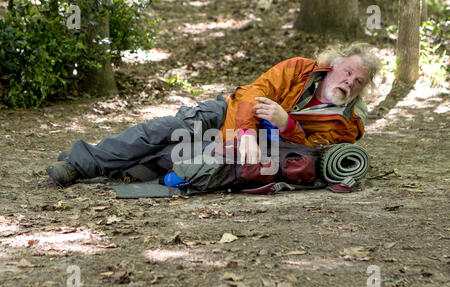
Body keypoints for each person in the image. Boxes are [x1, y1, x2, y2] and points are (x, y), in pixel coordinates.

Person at [46, 42, 380, 187]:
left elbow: (313, 154)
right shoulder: (299, 70)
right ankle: (77, 164)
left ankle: (119, 166)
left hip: (255, 152)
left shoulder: (347, 126)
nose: (350, 82)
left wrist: (288, 124)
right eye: (348, 72)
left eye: (358, 81)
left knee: (170, 160)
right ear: (334, 65)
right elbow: (252, 93)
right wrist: (246, 132)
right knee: (163, 129)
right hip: (229, 113)